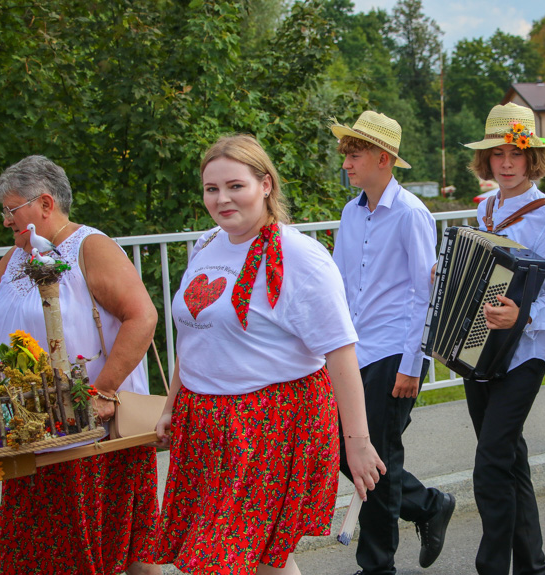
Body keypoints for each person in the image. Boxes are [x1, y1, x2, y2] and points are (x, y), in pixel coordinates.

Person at [152, 134, 385, 575]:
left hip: (269, 423)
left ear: (266, 185)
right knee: (261, 558)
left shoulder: (299, 256)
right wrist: (172, 404)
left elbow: (340, 352)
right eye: (211, 189)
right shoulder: (206, 246)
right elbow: (194, 333)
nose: (222, 199)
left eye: (235, 186)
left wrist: (357, 444)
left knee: (217, 558)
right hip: (205, 422)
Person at [0, 155, 161, 575]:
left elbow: (142, 317)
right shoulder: (14, 256)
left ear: (45, 203)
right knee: (41, 546)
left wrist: (104, 392)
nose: (5, 220)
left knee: (109, 549)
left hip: (90, 428)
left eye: (11, 209)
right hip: (29, 428)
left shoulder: (91, 246)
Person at [330, 111, 455, 575]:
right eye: (345, 153)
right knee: (346, 450)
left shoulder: (411, 214)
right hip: (353, 353)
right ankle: (427, 505)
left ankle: (377, 565)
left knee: (375, 458)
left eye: (355, 154)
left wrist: (413, 363)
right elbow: (341, 285)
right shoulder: (351, 212)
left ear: (383, 159)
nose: (346, 162)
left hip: (392, 353)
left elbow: (426, 294)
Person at [460, 102, 545, 575]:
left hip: (523, 354)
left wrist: (526, 317)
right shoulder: (484, 208)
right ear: (486, 160)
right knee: (510, 459)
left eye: (515, 154)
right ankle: (533, 566)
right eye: (497, 154)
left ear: (533, 160)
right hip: (476, 348)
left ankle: (492, 568)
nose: (505, 163)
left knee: (489, 463)